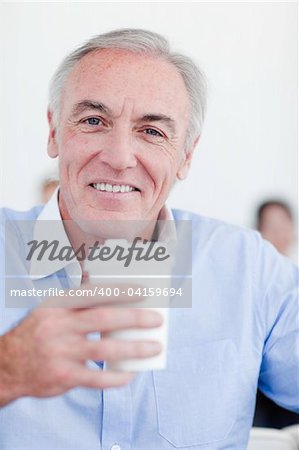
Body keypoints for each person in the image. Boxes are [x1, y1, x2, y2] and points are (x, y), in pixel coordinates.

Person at [0, 29, 298, 450]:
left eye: (152, 132)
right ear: (53, 132)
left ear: (186, 156)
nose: (119, 157)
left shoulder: (249, 269)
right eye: (93, 121)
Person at [253, 199, 299, 429]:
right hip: (264, 399)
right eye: (271, 226)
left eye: (284, 225)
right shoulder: (253, 282)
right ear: (259, 232)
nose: (279, 233)